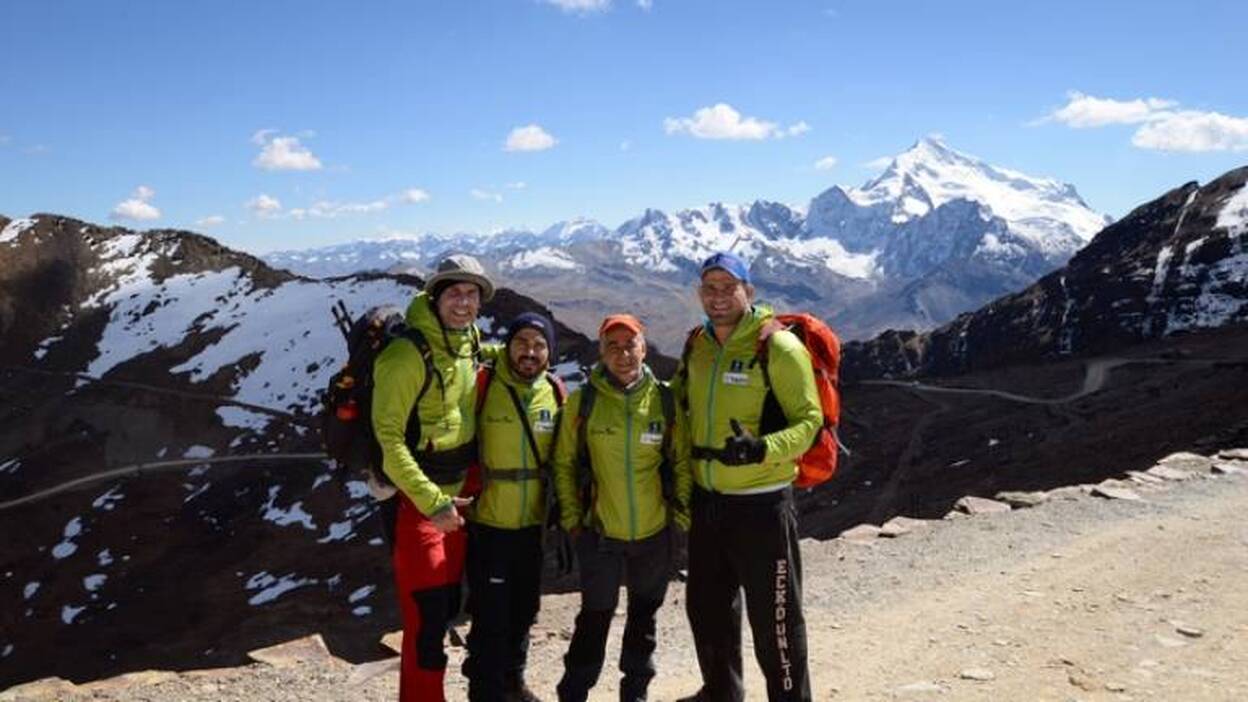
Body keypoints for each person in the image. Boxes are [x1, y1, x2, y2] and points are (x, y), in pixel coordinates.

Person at [674, 252, 821, 702]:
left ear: (749, 292)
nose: (718, 297)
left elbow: (809, 422)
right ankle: (722, 694)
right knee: (708, 613)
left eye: (728, 287)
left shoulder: (777, 347)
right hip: (708, 502)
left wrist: (763, 448)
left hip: (762, 505)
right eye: (710, 288)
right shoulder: (696, 344)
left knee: (775, 620)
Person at [372, 253, 494, 702]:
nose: (463, 302)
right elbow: (389, 440)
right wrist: (432, 502)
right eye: (454, 292)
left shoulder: (469, 342)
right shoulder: (406, 355)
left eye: (471, 294)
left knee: (443, 612)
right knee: (425, 625)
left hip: (458, 500)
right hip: (420, 504)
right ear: (435, 296)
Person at [551, 314, 691, 702]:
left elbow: (681, 462)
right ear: (602, 352)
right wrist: (572, 520)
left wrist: (678, 519)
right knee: (595, 617)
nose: (623, 354)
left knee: (643, 617)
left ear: (644, 349)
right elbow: (563, 464)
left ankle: (635, 692)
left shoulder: (664, 401)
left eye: (630, 345)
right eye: (612, 346)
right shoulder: (585, 401)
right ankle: (574, 691)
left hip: (654, 532)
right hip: (600, 534)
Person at [463, 312, 565, 702]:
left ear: (549, 352)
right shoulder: (484, 385)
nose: (530, 351)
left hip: (533, 528)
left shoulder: (554, 392)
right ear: (507, 346)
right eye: (522, 342)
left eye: (539, 345)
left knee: (524, 610)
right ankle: (485, 691)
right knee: (491, 616)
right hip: (489, 525)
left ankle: (512, 682)